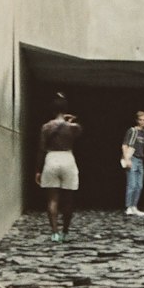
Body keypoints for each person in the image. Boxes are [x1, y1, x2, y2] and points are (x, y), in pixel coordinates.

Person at [35, 95, 82, 243]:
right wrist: (70, 121)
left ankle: (55, 232)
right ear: (66, 110)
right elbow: (78, 135)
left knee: (52, 198)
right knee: (68, 199)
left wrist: (38, 169)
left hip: (51, 158)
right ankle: (65, 232)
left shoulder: (46, 127)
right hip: (68, 158)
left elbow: (41, 149)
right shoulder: (74, 128)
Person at [120, 109, 144, 218]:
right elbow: (124, 145)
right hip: (132, 158)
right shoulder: (132, 131)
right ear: (137, 120)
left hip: (140, 160)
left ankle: (134, 206)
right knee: (132, 184)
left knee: (139, 185)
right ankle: (128, 207)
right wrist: (127, 159)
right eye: (142, 120)